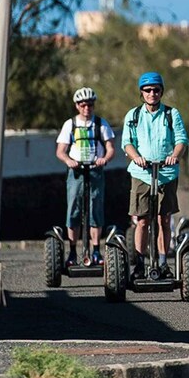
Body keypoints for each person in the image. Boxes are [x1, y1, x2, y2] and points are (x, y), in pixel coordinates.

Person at [122, 71, 188, 280]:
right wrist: (136, 157)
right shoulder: (133, 115)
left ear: (161, 92)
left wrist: (175, 156)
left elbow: (181, 140)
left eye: (156, 90)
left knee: (164, 218)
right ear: (142, 93)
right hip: (141, 173)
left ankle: (162, 262)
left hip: (166, 173)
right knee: (142, 220)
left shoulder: (171, 114)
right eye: (148, 90)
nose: (152, 93)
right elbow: (127, 143)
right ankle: (140, 263)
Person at [55, 87, 116, 267]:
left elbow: (111, 147)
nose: (87, 108)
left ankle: (96, 251)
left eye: (90, 105)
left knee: (95, 208)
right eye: (83, 105)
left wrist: (104, 159)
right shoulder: (70, 124)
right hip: (76, 172)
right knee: (73, 209)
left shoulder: (100, 124)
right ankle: (73, 252)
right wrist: (68, 160)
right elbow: (60, 151)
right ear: (77, 106)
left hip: (95, 170)